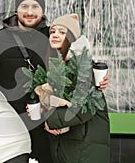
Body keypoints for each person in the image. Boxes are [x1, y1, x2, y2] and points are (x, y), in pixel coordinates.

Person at [0, 0, 108, 162]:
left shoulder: (53, 35)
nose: (29, 12)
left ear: (42, 10)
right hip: (10, 125)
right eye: (24, 6)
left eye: (35, 7)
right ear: (16, 8)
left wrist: (98, 75)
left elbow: (78, 62)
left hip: (48, 126)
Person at [42, 14, 110, 163]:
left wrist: (50, 120)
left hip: (84, 146)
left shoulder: (83, 66)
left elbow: (85, 107)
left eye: (62, 32)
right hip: (69, 144)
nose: (55, 35)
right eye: (52, 32)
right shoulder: (58, 65)